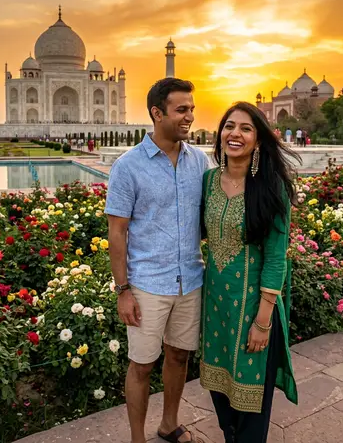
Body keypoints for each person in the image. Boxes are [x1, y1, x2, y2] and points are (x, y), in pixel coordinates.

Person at [105, 78, 209, 443]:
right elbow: (117, 233)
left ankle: (168, 424)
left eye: (192, 109)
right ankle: (137, 438)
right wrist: (123, 291)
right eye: (182, 110)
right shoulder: (128, 166)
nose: (190, 117)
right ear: (156, 112)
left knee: (179, 356)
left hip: (190, 279)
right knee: (142, 364)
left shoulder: (200, 161)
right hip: (148, 282)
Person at [200, 101, 299, 443]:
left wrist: (263, 322)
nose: (235, 134)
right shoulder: (209, 180)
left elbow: (275, 259)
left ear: (257, 141)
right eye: (229, 126)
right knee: (222, 398)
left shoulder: (271, 190)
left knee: (251, 411)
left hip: (253, 311)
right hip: (216, 309)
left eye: (245, 128)